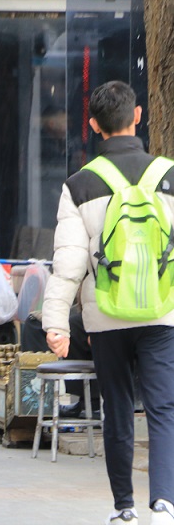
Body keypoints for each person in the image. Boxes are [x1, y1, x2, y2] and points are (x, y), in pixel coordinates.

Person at [43, 81, 174, 525]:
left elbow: (69, 263)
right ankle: (164, 503)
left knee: (115, 408)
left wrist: (57, 322)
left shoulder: (80, 184)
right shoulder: (169, 175)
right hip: (162, 312)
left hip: (105, 315)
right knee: (163, 408)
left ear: (94, 125)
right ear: (138, 117)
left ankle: (124, 509)